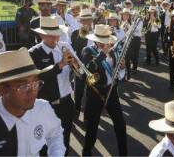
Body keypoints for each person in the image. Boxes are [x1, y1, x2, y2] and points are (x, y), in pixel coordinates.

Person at [29, 17, 76, 154]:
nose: (55, 37)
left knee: (65, 141)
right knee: (45, 144)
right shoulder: (34, 53)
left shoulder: (65, 46)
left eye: (57, 33)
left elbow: (77, 69)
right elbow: (38, 77)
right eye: (50, 35)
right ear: (41, 35)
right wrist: (60, 65)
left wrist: (75, 66)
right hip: (47, 105)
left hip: (66, 102)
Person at [80, 24, 127, 156]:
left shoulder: (113, 51)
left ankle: (123, 153)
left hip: (111, 91)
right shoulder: (87, 51)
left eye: (106, 41)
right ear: (96, 40)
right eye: (102, 41)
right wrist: (101, 54)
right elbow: (87, 71)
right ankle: (86, 152)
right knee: (92, 126)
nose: (105, 44)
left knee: (120, 124)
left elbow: (118, 75)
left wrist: (122, 68)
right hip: (95, 93)